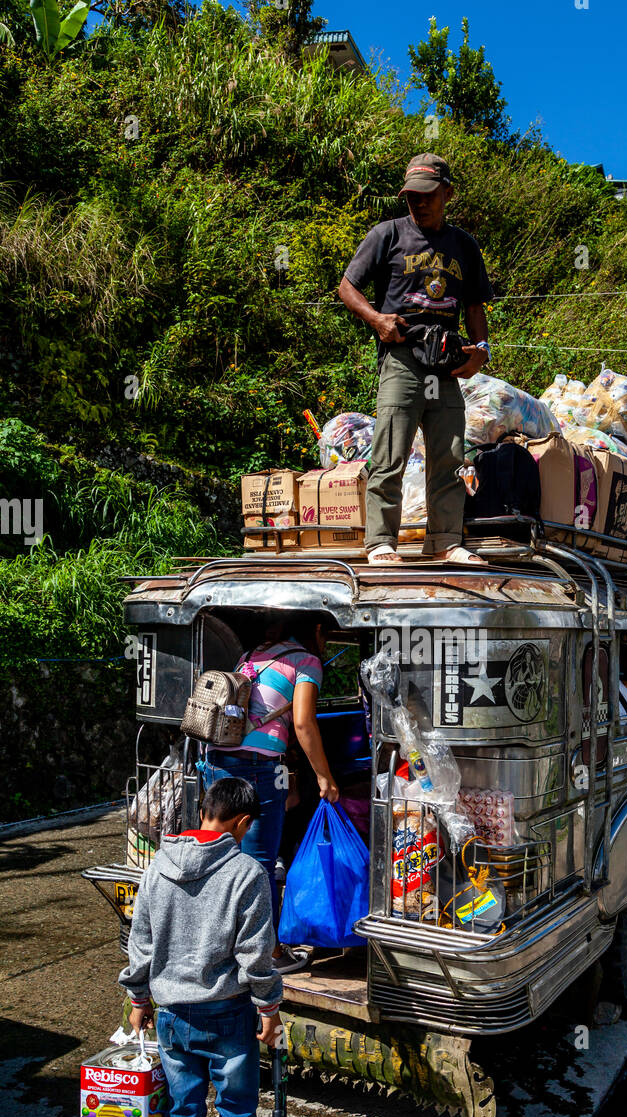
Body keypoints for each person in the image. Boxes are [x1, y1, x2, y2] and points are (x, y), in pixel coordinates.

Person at [121, 777, 286, 1117]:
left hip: (173, 1015)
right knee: (236, 1113)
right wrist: (270, 1009)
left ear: (202, 813)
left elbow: (142, 944)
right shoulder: (248, 874)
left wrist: (138, 999)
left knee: (183, 1115)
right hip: (228, 1014)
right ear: (244, 823)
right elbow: (257, 956)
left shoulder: (156, 869)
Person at [338, 152, 493, 568]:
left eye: (427, 195)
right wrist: (376, 320)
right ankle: (380, 543)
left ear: (448, 193)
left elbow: (475, 306)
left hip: (446, 362)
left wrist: (481, 352)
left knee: (450, 454)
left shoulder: (463, 245)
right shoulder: (387, 234)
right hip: (403, 357)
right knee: (390, 449)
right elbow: (347, 286)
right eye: (411, 197)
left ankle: (444, 540)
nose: (418, 203)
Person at [202, 614, 340, 974]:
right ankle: (269, 954)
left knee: (221, 857)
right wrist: (324, 778)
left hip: (217, 760)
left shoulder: (250, 656)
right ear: (317, 629)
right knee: (259, 864)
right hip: (258, 768)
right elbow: (302, 722)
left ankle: (223, 945)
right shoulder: (306, 661)